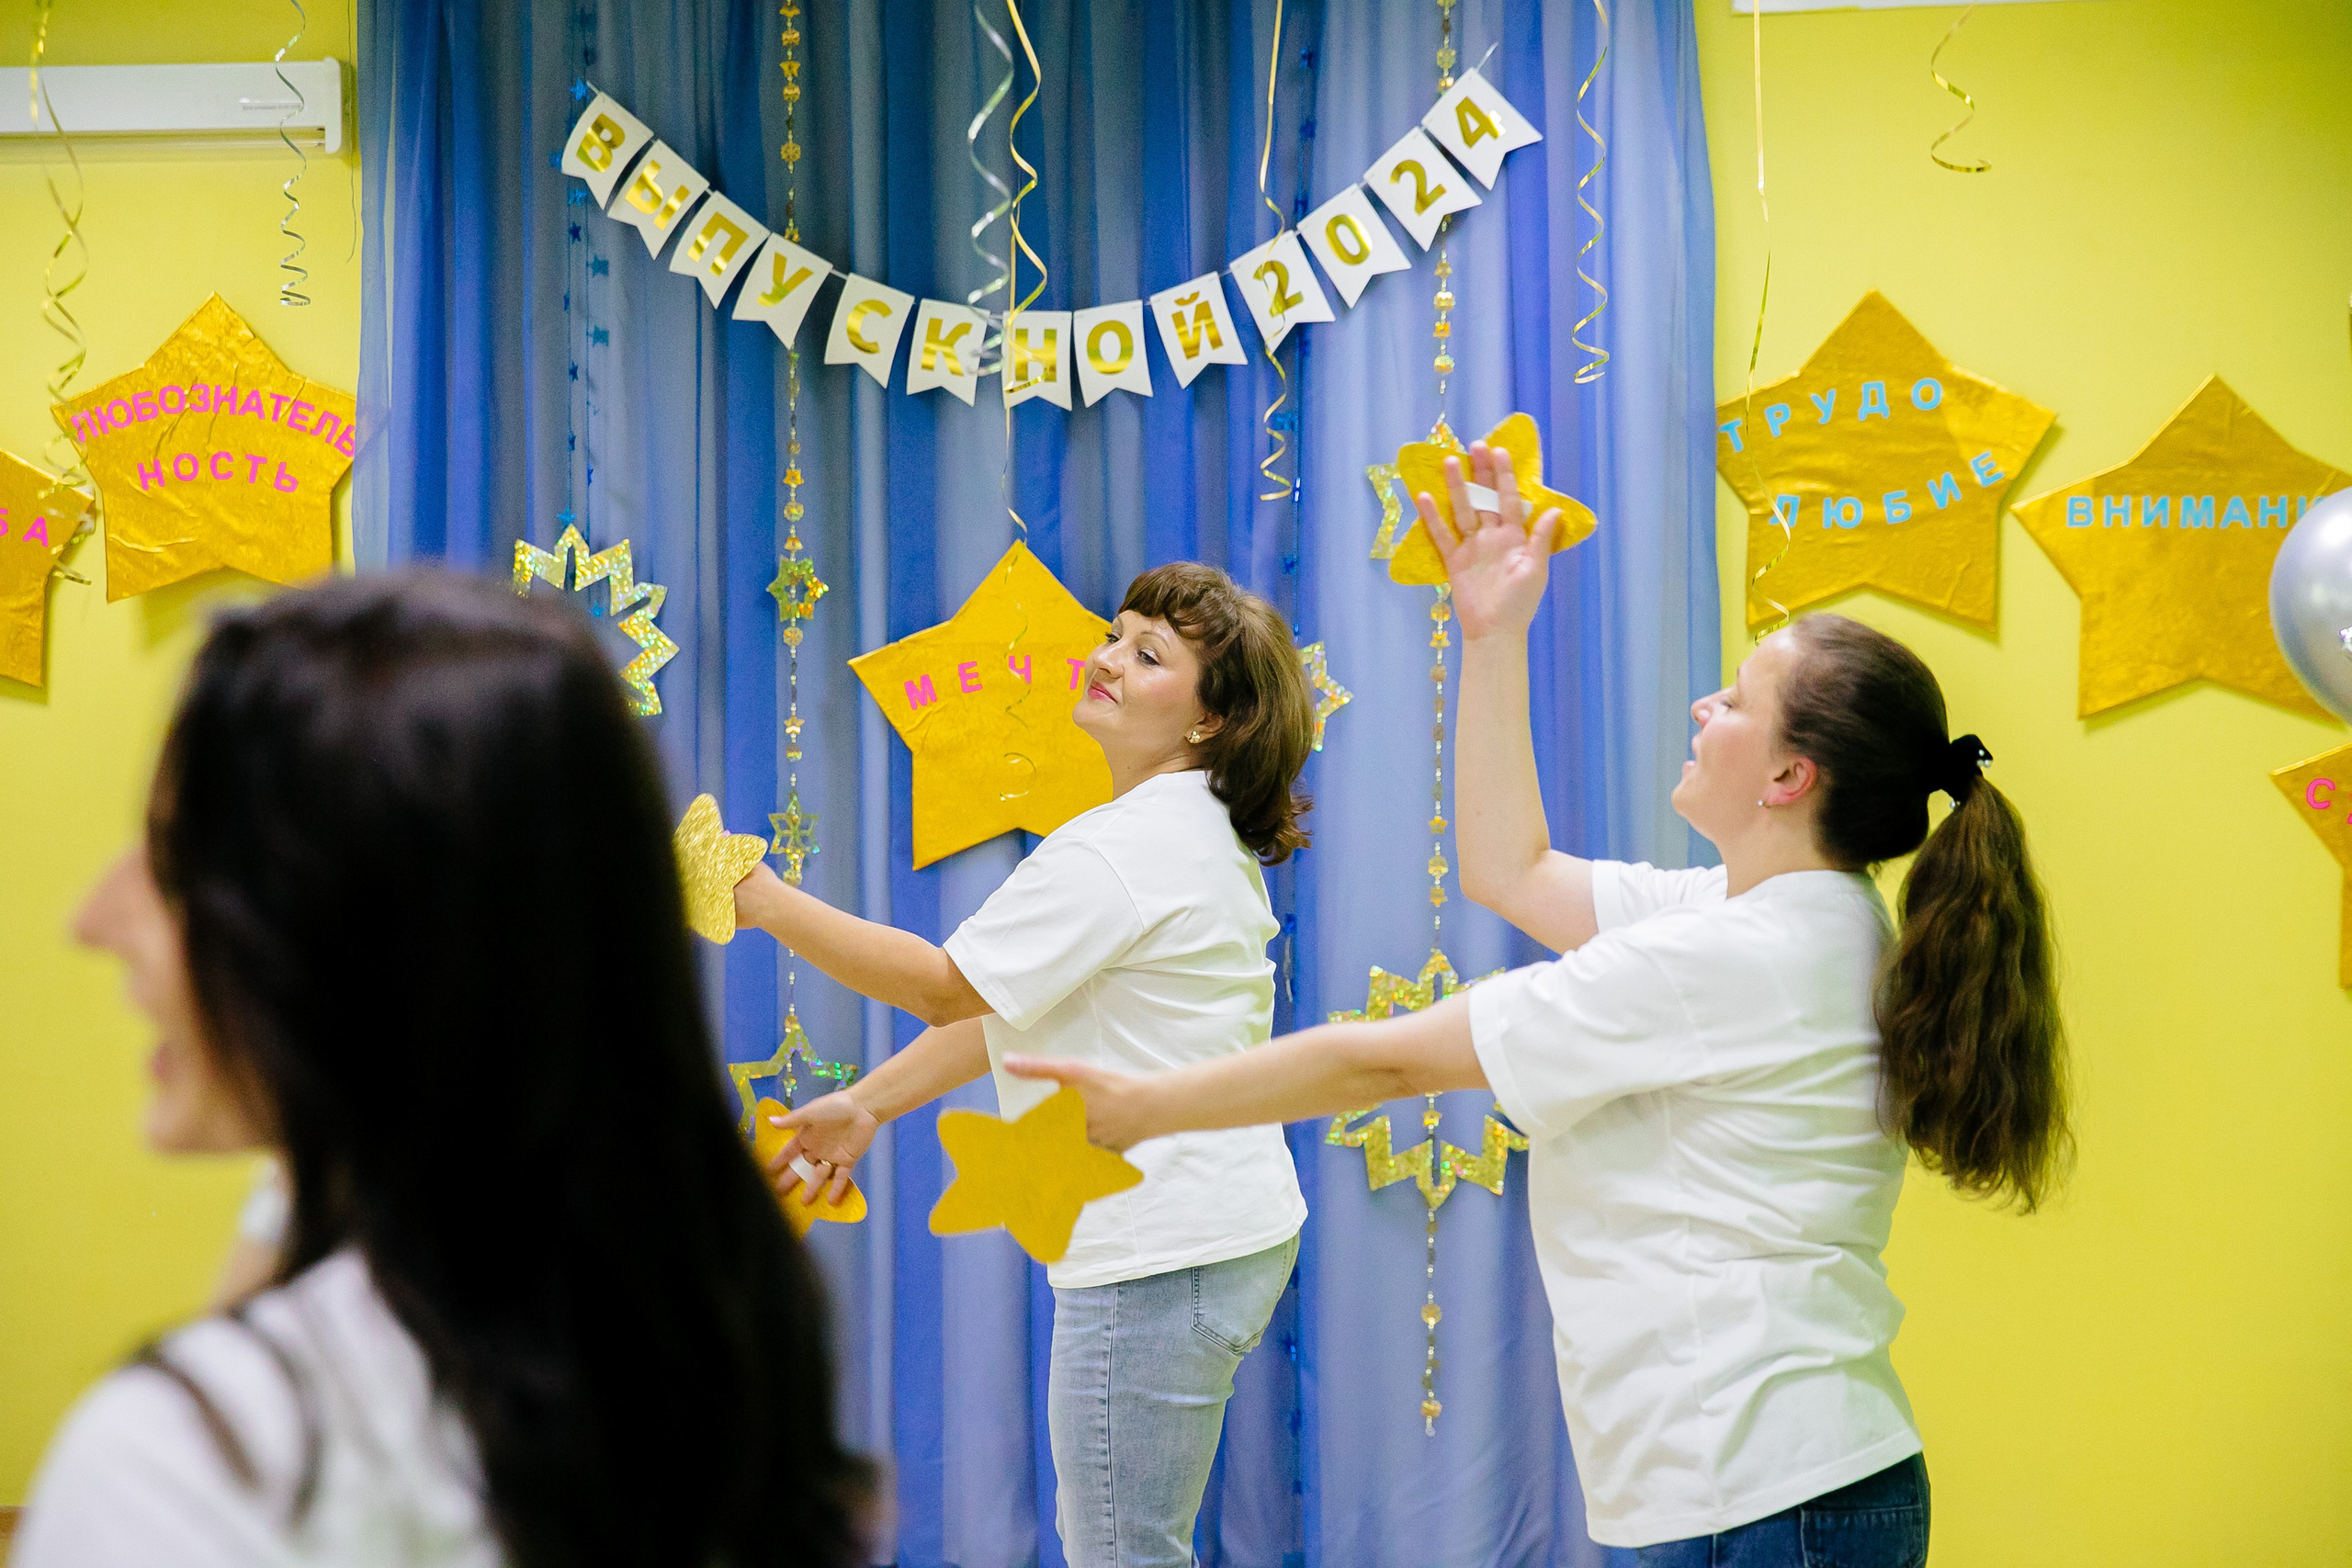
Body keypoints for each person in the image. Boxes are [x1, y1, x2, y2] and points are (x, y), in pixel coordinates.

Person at [1007, 447, 2071, 1568]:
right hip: (1777, 1489)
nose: (1705, 708)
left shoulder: (1730, 955)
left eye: (1737, 701)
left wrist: (1151, 1104)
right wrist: (1491, 633)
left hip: (1756, 1500)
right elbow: (1509, 870)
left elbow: (1390, 1065)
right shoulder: (1790, 915)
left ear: (1786, 778)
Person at [19, 573, 870, 1568]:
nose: (95, 922)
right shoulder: (708, 1363)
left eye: (174, 865)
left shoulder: (183, 1461)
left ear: (349, 931)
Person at [730, 561, 1315, 1568]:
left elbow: (945, 988)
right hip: (1207, 1238)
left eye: (1148, 654)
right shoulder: (1182, 835)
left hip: (1157, 1258)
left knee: (1124, 1554)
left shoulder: (1123, 849)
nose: (1108, 661)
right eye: (1114, 634)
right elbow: (1006, 1004)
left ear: (1211, 723)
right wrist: (869, 1104)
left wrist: (765, 900)